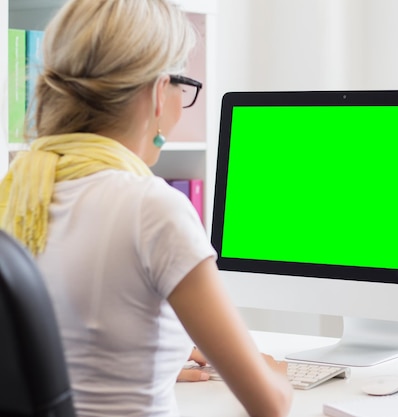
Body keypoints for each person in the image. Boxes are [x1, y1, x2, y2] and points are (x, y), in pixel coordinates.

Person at [0, 1, 293, 416]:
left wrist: (154, 360)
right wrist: (278, 376)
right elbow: (270, 405)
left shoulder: (19, 191)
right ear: (159, 91)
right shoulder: (152, 208)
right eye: (184, 84)